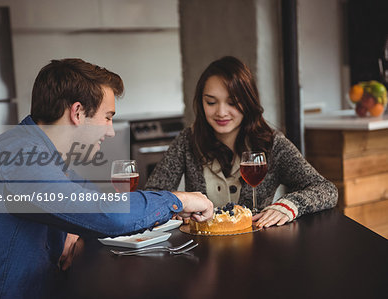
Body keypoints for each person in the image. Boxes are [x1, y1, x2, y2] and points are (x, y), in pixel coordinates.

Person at [0, 58, 213, 299]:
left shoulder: (36, 150)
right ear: (77, 112)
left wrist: (72, 225)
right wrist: (176, 199)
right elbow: (108, 214)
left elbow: (89, 200)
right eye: (107, 118)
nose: (110, 132)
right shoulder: (17, 154)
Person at [145, 56, 338, 228]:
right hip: (202, 254)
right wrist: (174, 207)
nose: (221, 112)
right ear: (201, 102)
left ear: (248, 101)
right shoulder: (187, 141)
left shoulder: (272, 144)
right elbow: (152, 193)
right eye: (211, 102)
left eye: (232, 102)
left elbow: (326, 190)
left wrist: (287, 206)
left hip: (259, 250)